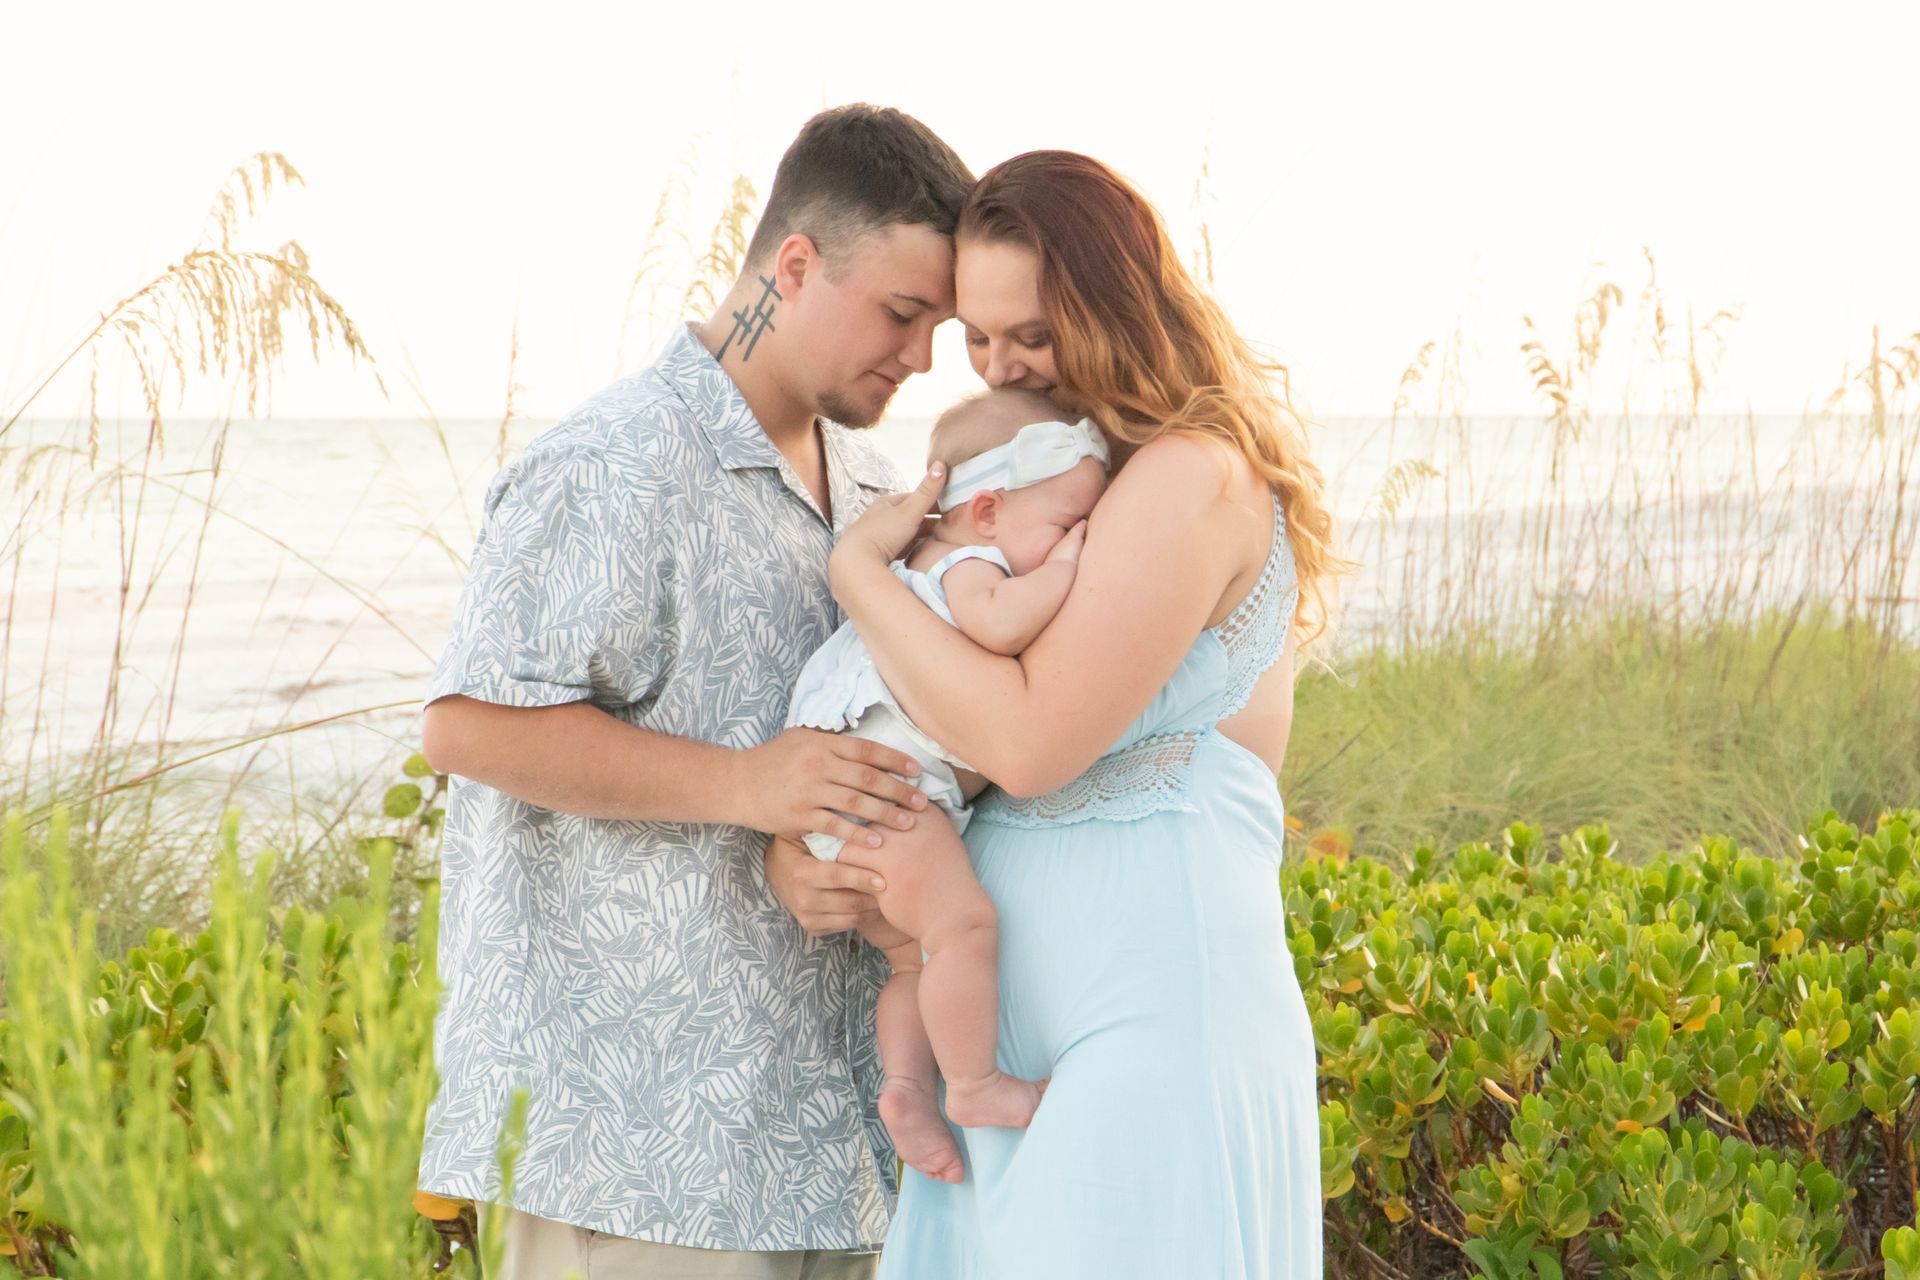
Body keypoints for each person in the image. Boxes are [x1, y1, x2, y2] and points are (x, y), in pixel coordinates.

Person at [415, 104, 973, 1280]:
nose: (923, 355)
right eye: (904, 313)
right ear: (796, 263)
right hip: (642, 1159)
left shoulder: (874, 490)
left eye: (941, 326)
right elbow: (463, 726)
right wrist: (744, 784)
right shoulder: (609, 465)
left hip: (842, 1155)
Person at [827, 151, 1346, 1278]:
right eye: (981, 335)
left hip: (1148, 1011)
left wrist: (862, 577)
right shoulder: (1056, 479)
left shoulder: (1191, 475)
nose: (1004, 365)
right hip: (1010, 1039)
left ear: (1118, 309)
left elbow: (1026, 741)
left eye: (1036, 335)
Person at [785, 386, 1109, 1184]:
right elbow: (1000, 625)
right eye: (1065, 522)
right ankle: (973, 1085)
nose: (1074, 539)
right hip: (892, 799)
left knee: (915, 962)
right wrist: (1069, 566)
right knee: (964, 929)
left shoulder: (913, 566)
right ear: (989, 511)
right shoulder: (969, 565)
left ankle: (906, 1091)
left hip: (864, 806)